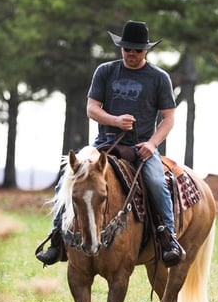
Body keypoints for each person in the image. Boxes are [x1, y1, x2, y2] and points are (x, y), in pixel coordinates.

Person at [36, 20, 186, 268]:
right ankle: (56, 239)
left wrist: (151, 144)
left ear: (145, 51)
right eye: (127, 49)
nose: (131, 54)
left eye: (137, 50)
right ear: (121, 48)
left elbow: (169, 118)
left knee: (157, 183)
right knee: (67, 178)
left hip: (141, 148)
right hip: (103, 145)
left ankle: (168, 238)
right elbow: (92, 109)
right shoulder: (105, 71)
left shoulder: (159, 78)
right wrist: (115, 120)